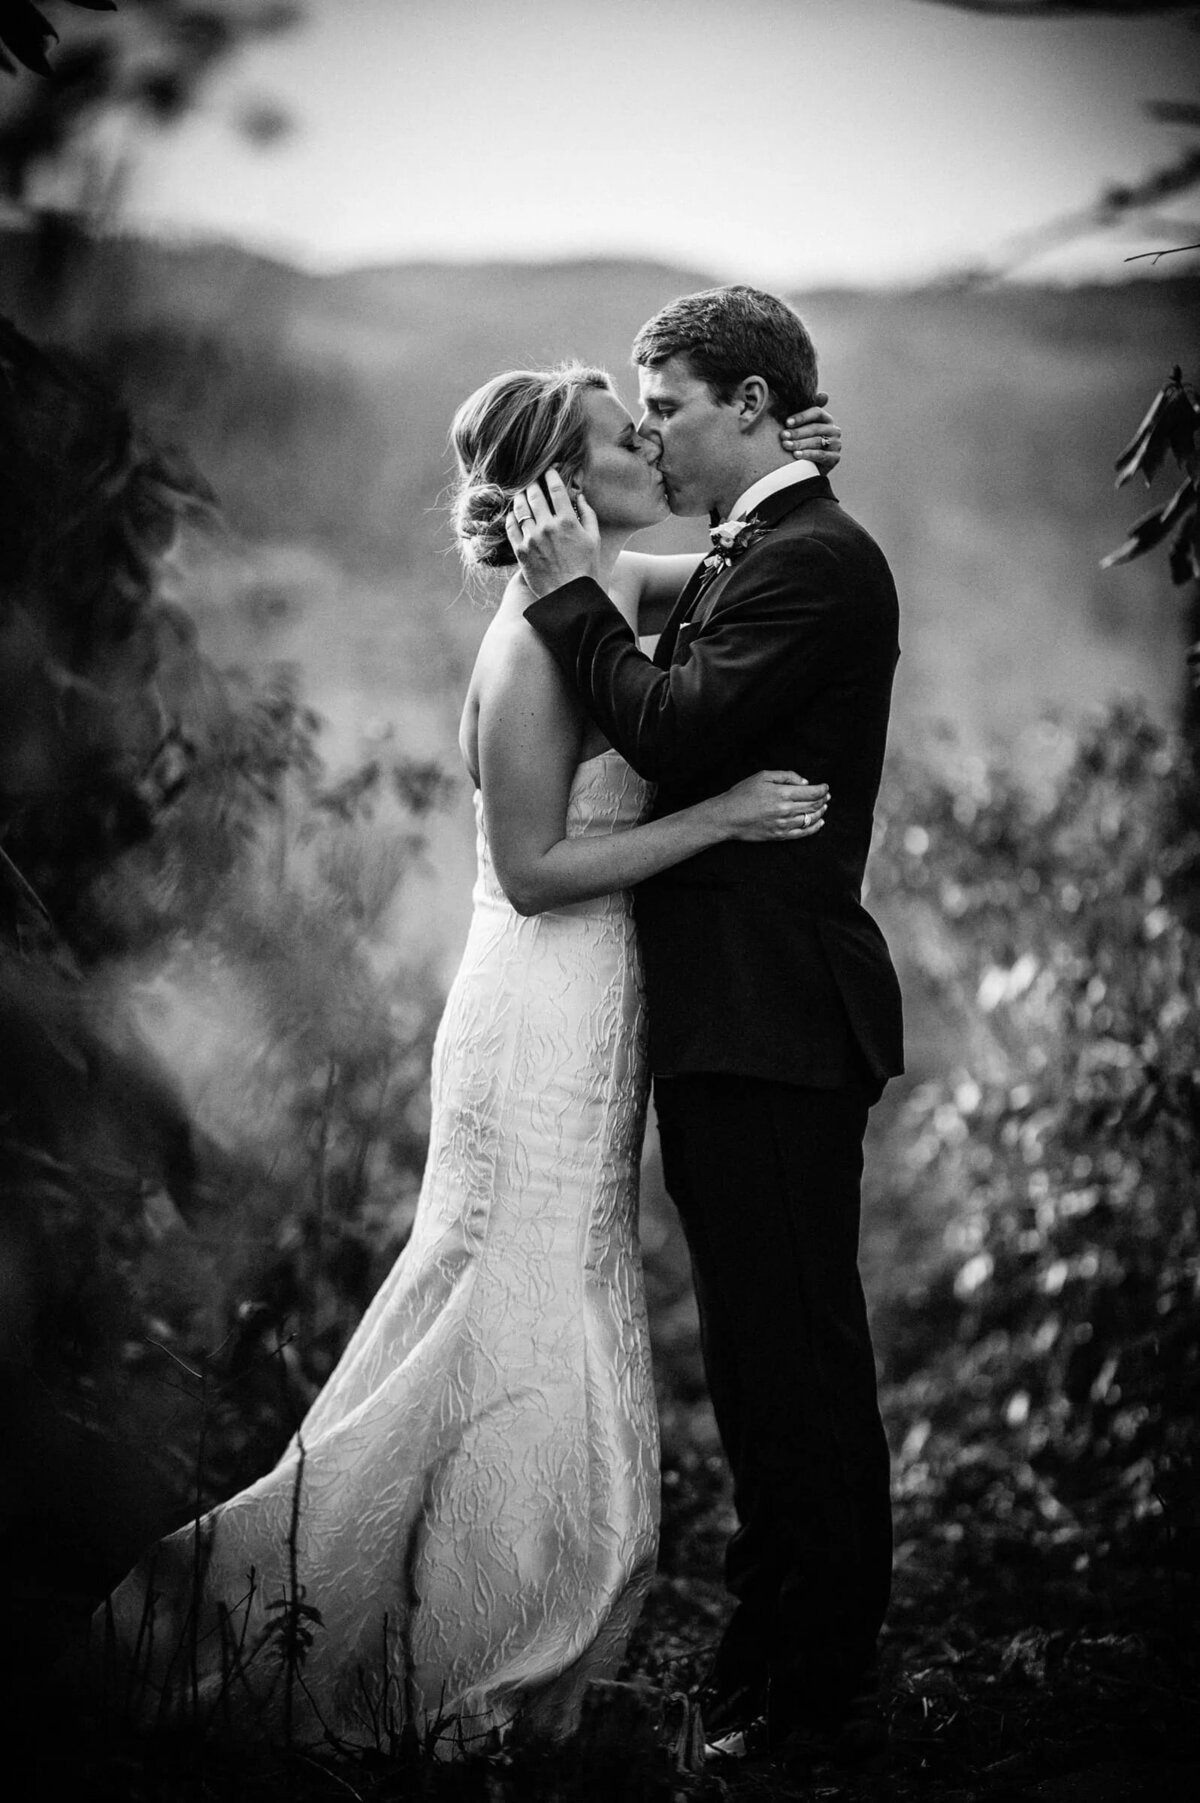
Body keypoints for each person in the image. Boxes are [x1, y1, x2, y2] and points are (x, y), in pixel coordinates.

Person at [89, 359, 841, 1753]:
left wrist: (791, 464)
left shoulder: (606, 593)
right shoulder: (534, 646)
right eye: (630, 437)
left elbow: (734, 573)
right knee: (530, 1295)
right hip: (540, 1005)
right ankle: (492, 1624)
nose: (653, 451)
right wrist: (725, 814)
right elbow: (540, 870)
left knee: (535, 1294)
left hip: (588, 1001)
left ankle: (488, 1597)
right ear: (563, 481)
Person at [508, 284, 904, 1773]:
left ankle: (811, 1688)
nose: (653, 427)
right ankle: (767, 1651)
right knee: (756, 1355)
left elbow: (674, 730)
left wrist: (562, 596)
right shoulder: (772, 542)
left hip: (778, 1014)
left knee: (796, 1354)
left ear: (747, 405)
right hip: (734, 1018)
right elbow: (687, 626)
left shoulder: (816, 563)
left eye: (666, 402)